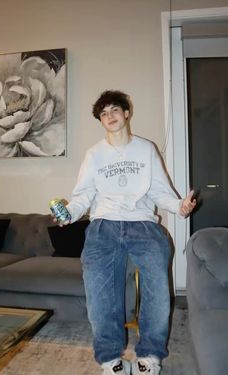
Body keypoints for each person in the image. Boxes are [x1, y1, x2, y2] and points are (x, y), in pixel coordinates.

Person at [62, 90, 196, 375]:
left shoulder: (146, 149)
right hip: (103, 227)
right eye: (103, 114)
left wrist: (180, 206)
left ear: (126, 113)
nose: (109, 116)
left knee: (158, 290)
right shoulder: (94, 154)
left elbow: (161, 192)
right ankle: (111, 360)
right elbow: (83, 196)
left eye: (114, 110)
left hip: (144, 226)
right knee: (99, 295)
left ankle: (149, 357)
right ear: (101, 121)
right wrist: (69, 213)